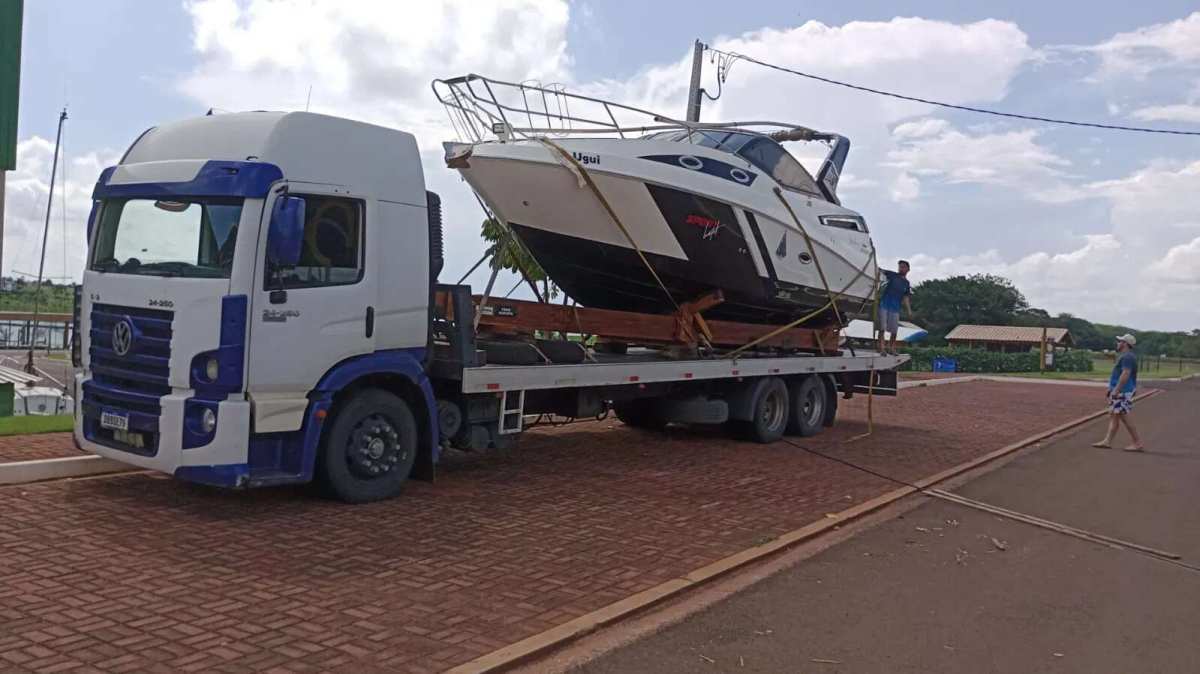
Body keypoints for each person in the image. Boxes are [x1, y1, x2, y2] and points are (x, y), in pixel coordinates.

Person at [1092, 333, 1144, 451]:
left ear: (1125, 344)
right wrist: (1112, 388)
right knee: (1114, 416)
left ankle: (1137, 442)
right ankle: (1107, 441)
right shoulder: (1127, 356)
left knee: (1124, 416)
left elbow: (1125, 374)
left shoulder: (1127, 357)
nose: (1117, 343)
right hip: (1121, 390)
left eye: (1120, 341)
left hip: (1122, 392)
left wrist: (1116, 389)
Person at [876, 260, 912, 355]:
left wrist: (909, 311)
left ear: (908, 269)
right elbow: (880, 270)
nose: (901, 268)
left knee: (894, 330)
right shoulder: (892, 275)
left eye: (903, 267)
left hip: (895, 308)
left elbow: (906, 297)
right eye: (900, 266)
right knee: (882, 328)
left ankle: (891, 348)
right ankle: (882, 348)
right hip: (884, 304)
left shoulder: (906, 283)